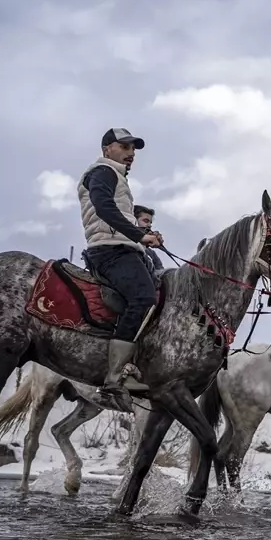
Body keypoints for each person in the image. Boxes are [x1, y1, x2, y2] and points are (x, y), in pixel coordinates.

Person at [76, 127, 163, 412]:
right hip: (110, 250)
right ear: (106, 149)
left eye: (133, 149)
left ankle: (134, 367)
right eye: (124, 147)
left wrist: (143, 237)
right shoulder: (102, 171)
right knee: (143, 298)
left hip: (121, 247)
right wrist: (139, 235)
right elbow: (103, 209)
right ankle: (113, 380)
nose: (131, 153)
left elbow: (115, 215)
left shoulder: (116, 177)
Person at [134, 205, 166, 282]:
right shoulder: (123, 246)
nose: (149, 225)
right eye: (145, 221)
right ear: (133, 221)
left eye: (150, 222)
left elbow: (161, 274)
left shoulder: (151, 253)